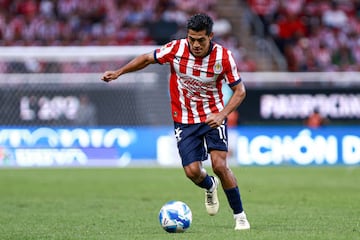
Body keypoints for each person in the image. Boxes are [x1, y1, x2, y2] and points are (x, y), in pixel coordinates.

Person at [101, 13, 250, 231]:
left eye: (201, 39)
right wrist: (119, 72)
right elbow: (145, 58)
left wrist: (222, 115)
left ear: (211, 36)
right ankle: (210, 185)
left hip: (213, 116)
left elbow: (240, 91)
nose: (196, 44)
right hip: (184, 119)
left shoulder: (223, 57)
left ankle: (240, 216)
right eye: (192, 39)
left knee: (219, 165)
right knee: (192, 172)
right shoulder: (176, 49)